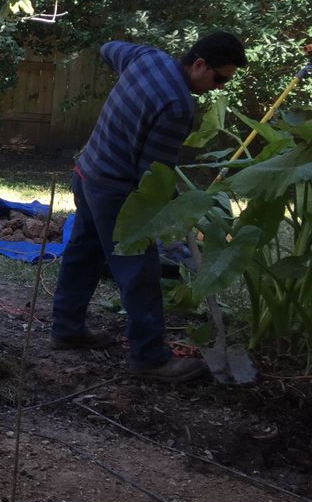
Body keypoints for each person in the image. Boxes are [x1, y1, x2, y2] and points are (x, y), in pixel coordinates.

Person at [51, 33, 247, 383]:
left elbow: (107, 47)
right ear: (199, 64)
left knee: (84, 253)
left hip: (87, 173)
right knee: (140, 272)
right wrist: (173, 213)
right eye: (219, 78)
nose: (217, 87)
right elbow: (153, 175)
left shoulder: (146, 59)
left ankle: (66, 329)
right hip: (114, 191)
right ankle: (151, 357)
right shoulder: (177, 105)